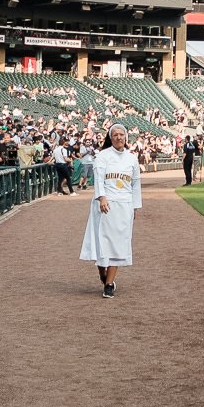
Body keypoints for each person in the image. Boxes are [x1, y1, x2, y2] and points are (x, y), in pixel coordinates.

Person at [80, 124, 142, 298]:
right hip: (105, 205)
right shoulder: (103, 156)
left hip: (124, 204)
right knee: (101, 243)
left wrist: (135, 206)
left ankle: (109, 284)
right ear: (110, 137)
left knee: (118, 243)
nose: (119, 137)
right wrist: (102, 197)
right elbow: (99, 178)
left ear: (126, 137)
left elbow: (136, 183)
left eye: (122, 134)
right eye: (115, 135)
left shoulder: (132, 158)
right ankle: (103, 274)